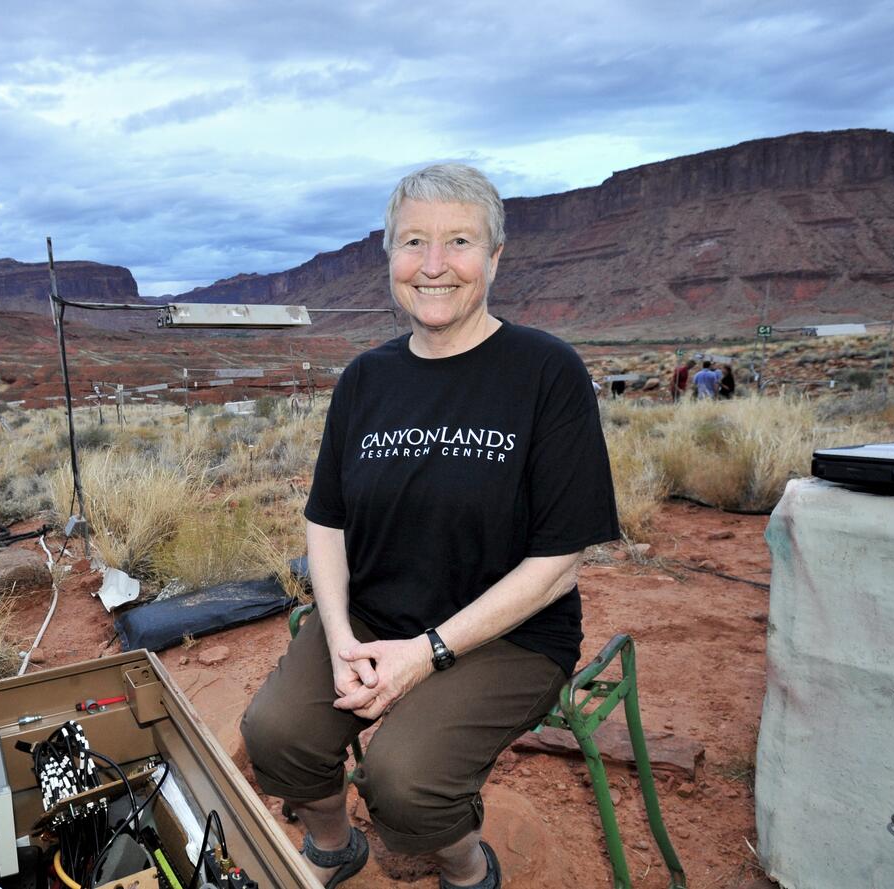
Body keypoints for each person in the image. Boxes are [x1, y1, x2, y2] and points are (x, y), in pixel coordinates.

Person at [241, 164, 619, 889]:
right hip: (376, 616)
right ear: (389, 257)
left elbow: (559, 562)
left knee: (405, 779)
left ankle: (467, 865)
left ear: (495, 257)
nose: (435, 264)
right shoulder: (365, 379)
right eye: (414, 241)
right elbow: (326, 523)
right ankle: (333, 842)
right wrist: (342, 634)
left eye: (459, 242)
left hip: (508, 636)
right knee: (277, 732)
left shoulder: (546, 372)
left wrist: (428, 652)